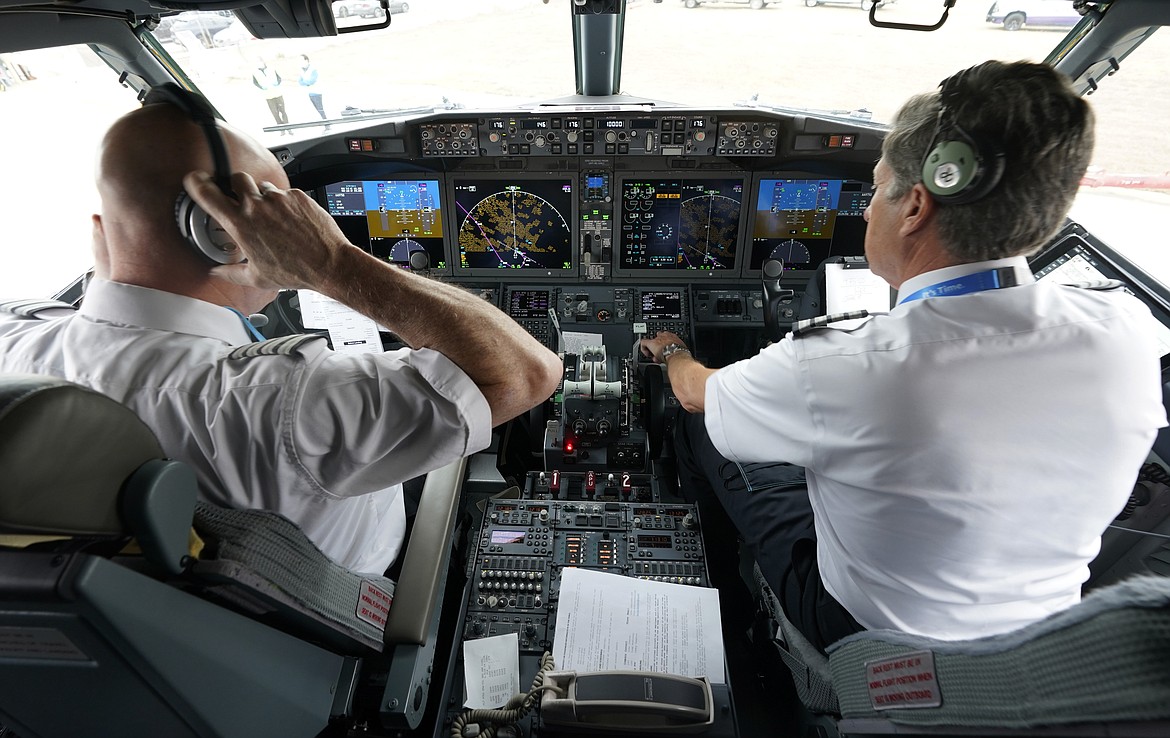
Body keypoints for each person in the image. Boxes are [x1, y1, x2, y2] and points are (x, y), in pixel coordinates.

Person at [641, 60, 1167, 650]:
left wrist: (673, 350)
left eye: (874, 189)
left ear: (915, 207)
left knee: (705, 427)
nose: (865, 210)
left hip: (867, 631)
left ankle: (729, 610)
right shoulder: (1125, 330)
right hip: (1039, 639)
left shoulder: (844, 366)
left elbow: (693, 391)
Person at [0, 96, 563, 575]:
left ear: (101, 232)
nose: (301, 222)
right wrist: (332, 262)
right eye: (284, 215)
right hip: (362, 592)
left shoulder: (14, 347)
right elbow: (526, 372)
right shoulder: (280, 402)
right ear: (226, 238)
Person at [252, 57, 288, 133]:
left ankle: (288, 128)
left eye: (260, 62)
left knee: (283, 111)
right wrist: (261, 87)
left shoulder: (271, 69)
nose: (259, 64)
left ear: (263, 62)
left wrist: (277, 83)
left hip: (278, 94)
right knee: (275, 113)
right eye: (257, 63)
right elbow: (255, 83)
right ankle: (282, 130)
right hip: (268, 96)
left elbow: (279, 78)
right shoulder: (255, 73)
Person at [298, 54, 327, 124]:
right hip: (310, 93)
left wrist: (306, 83)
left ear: (306, 60)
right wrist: (306, 83)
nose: (300, 62)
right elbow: (300, 82)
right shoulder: (301, 70)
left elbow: (312, 81)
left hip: (317, 92)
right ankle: (324, 123)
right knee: (316, 110)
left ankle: (327, 123)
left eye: (301, 60)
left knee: (320, 110)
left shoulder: (313, 69)